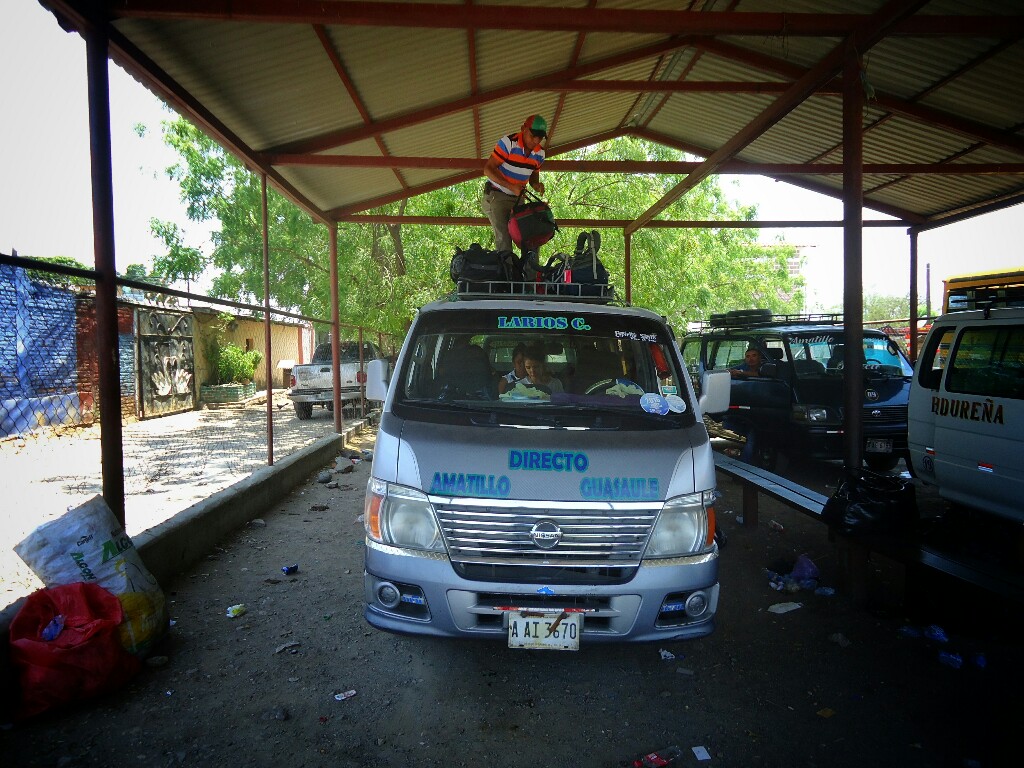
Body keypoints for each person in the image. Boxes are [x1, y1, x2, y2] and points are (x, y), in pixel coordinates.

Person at [481, 114, 548, 254]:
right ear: (523, 129)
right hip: (497, 195)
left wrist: (536, 185)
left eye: (540, 137)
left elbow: (533, 178)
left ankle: (531, 268)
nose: (536, 140)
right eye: (533, 135)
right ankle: (506, 267)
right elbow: (488, 169)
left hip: (518, 199)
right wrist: (511, 187)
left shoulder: (540, 154)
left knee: (530, 237)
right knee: (504, 239)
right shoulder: (508, 143)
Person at [724, 346, 763, 463]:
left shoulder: (767, 367)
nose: (751, 359)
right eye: (748, 356)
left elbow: (759, 374)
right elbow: (728, 372)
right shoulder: (743, 367)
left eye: (754, 356)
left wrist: (742, 373)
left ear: (760, 357)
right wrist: (733, 373)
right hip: (744, 407)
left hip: (763, 406)